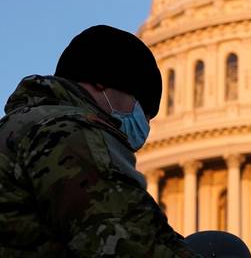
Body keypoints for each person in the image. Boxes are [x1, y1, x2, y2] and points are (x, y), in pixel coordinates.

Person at [0, 25, 199, 256]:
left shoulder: (21, 126)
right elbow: (119, 239)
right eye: (141, 106)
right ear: (102, 81)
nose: (144, 123)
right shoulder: (70, 132)